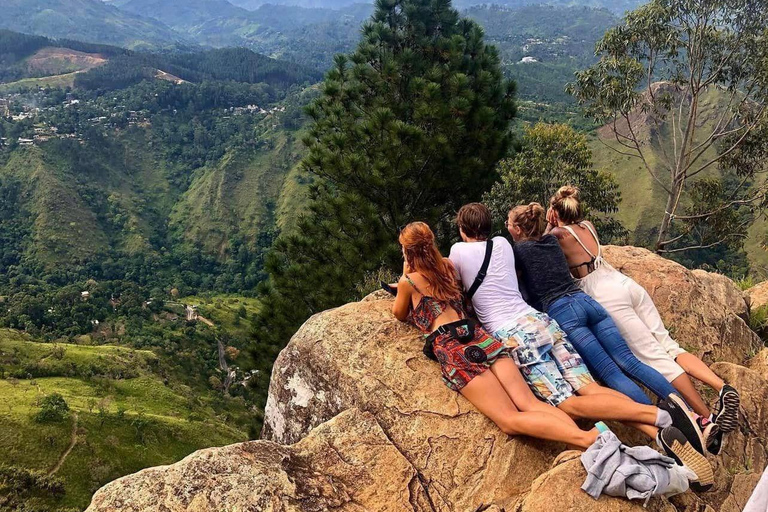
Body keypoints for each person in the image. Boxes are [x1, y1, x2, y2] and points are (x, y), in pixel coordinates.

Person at [391, 222, 713, 490]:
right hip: (505, 332)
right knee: (559, 396)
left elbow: (399, 312)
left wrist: (407, 271)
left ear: (406, 252)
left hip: (468, 345)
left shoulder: (411, 280)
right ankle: (654, 422)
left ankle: (598, 440)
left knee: (525, 415)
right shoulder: (450, 268)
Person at [545, 185, 740, 451]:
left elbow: (539, 248)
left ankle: (705, 418)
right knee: (669, 345)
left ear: (555, 213)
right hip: (625, 284)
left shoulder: (557, 235)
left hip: (606, 295)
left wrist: (548, 223)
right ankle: (721, 387)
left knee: (652, 358)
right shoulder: (588, 226)